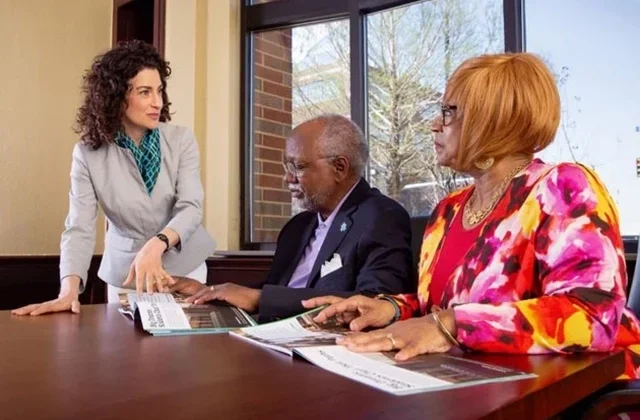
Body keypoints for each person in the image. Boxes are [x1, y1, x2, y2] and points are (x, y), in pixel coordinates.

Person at [304, 52, 640, 378]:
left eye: (448, 112)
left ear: (493, 117)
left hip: (574, 395)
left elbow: (593, 316)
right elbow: (438, 312)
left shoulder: (563, 187)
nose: (434, 124)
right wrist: (389, 309)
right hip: (462, 383)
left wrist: (450, 326)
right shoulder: (448, 209)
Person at [13, 40, 215, 316]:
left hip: (184, 270)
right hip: (126, 278)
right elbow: (79, 228)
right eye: (145, 92)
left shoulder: (181, 140)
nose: (157, 102)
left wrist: (156, 245)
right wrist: (68, 291)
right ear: (116, 96)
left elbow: (191, 207)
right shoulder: (87, 154)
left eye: (159, 90)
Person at [171, 114, 415, 322]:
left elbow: (377, 303)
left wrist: (260, 299)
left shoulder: (382, 217)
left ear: (340, 167)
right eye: (286, 167)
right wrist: (209, 291)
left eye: (297, 167)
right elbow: (280, 293)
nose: (287, 179)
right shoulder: (298, 227)